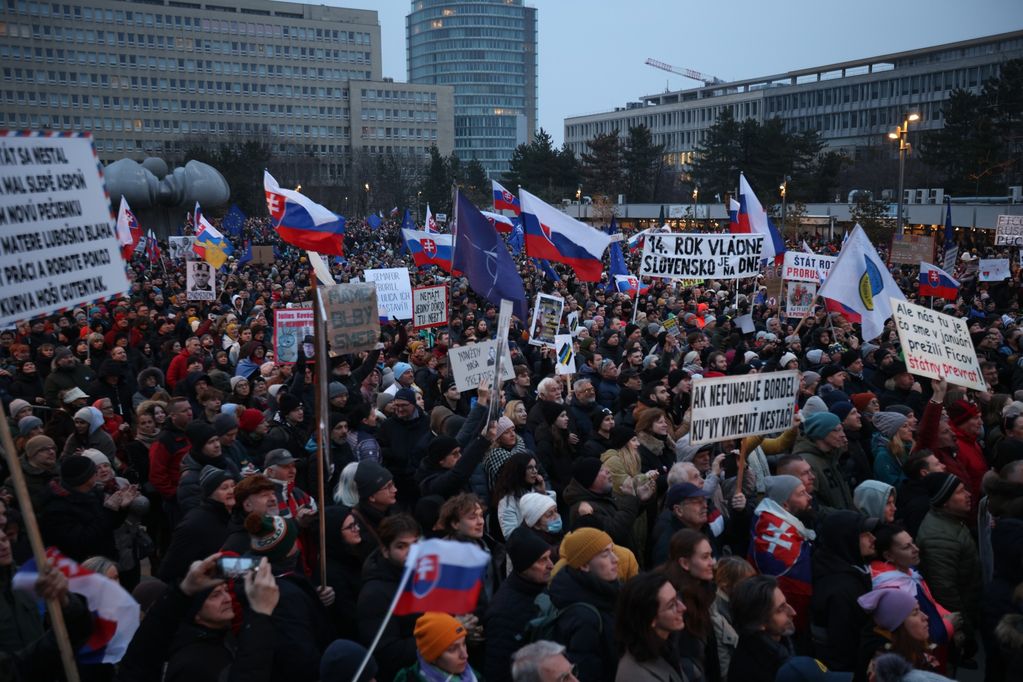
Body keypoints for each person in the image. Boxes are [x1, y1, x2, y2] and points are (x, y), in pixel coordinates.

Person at [117, 552, 279, 682]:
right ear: (196, 614)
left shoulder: (221, 635)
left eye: (225, 591)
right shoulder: (191, 666)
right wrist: (260, 613)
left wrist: (183, 591)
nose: (227, 599)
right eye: (215, 595)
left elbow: (142, 655)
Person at [914, 472, 981, 655]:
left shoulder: (950, 520)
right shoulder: (939, 538)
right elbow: (945, 590)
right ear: (945, 501)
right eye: (960, 492)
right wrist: (962, 630)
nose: (968, 494)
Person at [810, 510, 878, 675]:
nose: (873, 538)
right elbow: (845, 650)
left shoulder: (846, 568)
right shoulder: (841, 590)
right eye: (864, 534)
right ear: (846, 539)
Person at [547, 527, 620, 681]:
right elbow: (588, 672)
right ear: (584, 565)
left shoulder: (609, 591)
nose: (615, 559)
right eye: (605, 554)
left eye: (612, 550)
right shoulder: (584, 618)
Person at [484, 528, 555, 682]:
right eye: (542, 560)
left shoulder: (543, 587)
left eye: (549, 557)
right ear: (524, 566)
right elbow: (498, 671)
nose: (551, 565)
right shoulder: (502, 613)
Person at [357, 514, 422, 681]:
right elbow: (389, 653)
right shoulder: (374, 595)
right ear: (385, 551)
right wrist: (441, 635)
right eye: (401, 546)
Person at [749, 475, 815, 636]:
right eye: (801, 494)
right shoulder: (772, 532)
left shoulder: (773, 521)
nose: (809, 497)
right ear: (785, 504)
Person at [159, 466, 236, 583]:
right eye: (224, 488)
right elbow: (169, 571)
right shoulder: (195, 524)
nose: (231, 491)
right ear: (210, 494)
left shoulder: (233, 514)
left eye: (233, 485)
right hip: (205, 589)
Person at [663, 528, 720, 682]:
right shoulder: (678, 605)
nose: (712, 563)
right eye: (705, 557)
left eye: (711, 555)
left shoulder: (701, 593)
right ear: (685, 563)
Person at [613, 571, 687, 682]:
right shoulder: (638, 676)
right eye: (672, 605)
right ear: (650, 618)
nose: (683, 607)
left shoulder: (664, 647)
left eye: (677, 598)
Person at [727, 575, 797, 682]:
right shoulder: (750, 671)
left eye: (786, 603)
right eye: (780, 609)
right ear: (759, 623)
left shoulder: (781, 644)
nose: (793, 612)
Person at [856, 587, 938, 675]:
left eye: (919, 610)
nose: (925, 617)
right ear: (898, 625)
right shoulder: (885, 668)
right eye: (915, 613)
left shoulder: (913, 649)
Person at [322, 505, 373, 640]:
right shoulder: (331, 572)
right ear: (335, 533)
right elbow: (348, 618)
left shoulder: (357, 553)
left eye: (356, 524)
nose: (357, 529)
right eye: (350, 527)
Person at [793, 412, 855, 512]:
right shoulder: (807, 463)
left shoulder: (833, 456)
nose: (843, 435)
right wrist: (845, 518)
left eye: (842, 430)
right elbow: (812, 506)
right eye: (837, 430)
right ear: (821, 433)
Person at [393, 611, 481, 681]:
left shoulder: (475, 676)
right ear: (433, 657)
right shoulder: (408, 678)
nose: (465, 655)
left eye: (464, 644)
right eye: (452, 649)